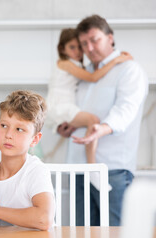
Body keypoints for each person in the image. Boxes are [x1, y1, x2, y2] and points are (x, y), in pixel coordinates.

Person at [57, 15, 148, 226]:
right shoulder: (83, 74)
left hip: (112, 169)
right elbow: (76, 110)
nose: (89, 48)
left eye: (94, 39)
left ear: (110, 38)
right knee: (80, 234)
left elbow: (126, 109)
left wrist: (103, 128)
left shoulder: (129, 70)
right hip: (77, 169)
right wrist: (67, 126)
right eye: (83, 43)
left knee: (115, 233)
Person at [0, 90, 55, 230]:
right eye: (4, 126)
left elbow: (44, 219)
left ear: (35, 139)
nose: (8, 135)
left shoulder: (35, 170)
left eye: (19, 129)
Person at [47, 28, 132, 165]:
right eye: (72, 47)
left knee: (91, 121)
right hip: (60, 105)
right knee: (93, 120)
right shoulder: (65, 63)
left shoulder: (76, 65)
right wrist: (115, 60)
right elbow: (93, 77)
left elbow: (92, 72)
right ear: (62, 49)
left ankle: (91, 167)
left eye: (80, 47)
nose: (78, 52)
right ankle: (92, 166)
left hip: (61, 106)